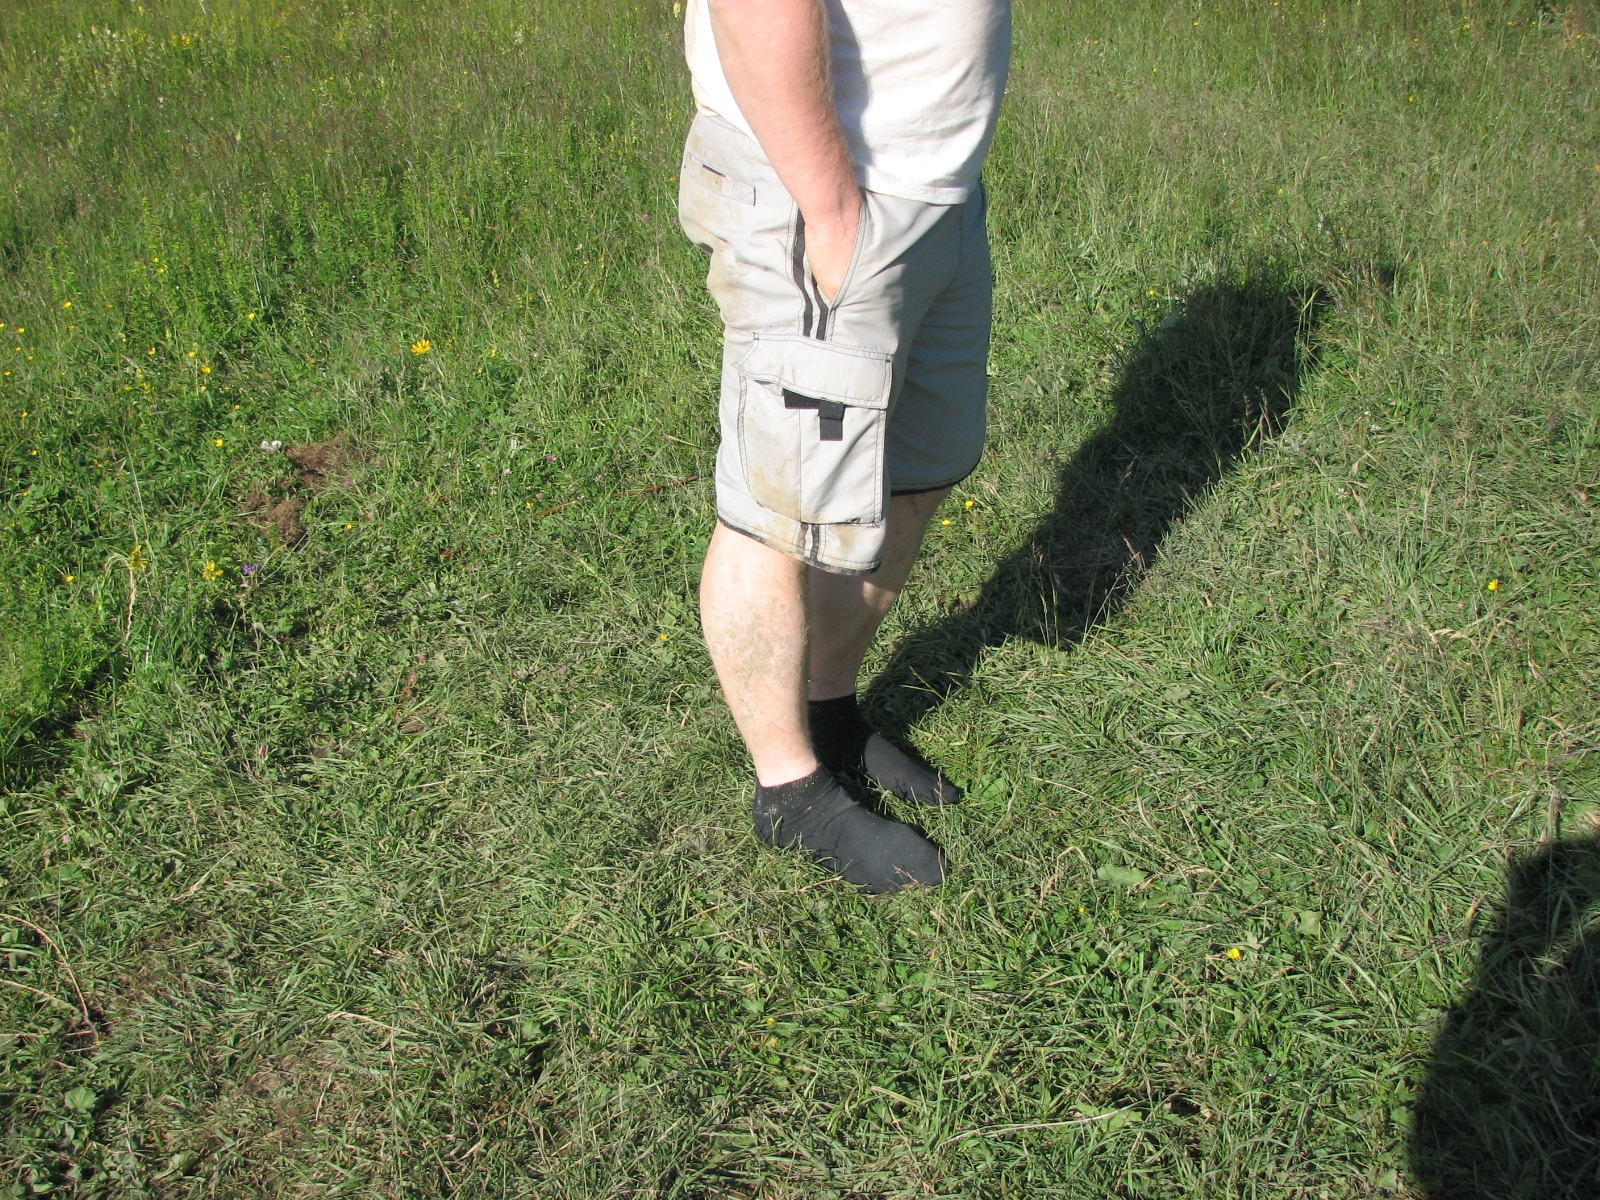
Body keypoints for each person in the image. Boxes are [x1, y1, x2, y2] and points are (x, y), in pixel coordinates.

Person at [679, 0, 1011, 893]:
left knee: (915, 474)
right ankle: (788, 791)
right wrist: (829, 209)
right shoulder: (826, 203)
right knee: (779, 513)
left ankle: (828, 709)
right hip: (822, 188)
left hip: (937, 187)